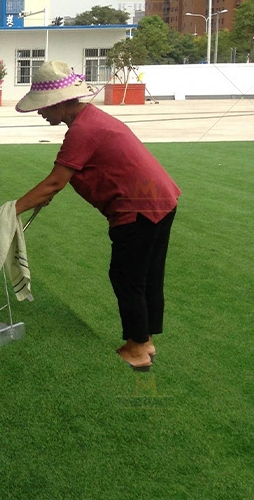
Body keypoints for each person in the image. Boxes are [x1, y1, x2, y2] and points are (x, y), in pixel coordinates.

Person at [13, 60, 180, 371]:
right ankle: (146, 341)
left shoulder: (83, 131)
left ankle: (137, 348)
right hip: (162, 200)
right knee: (147, 276)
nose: (39, 111)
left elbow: (54, 182)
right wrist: (37, 199)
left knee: (127, 277)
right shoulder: (91, 120)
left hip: (138, 208)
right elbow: (63, 182)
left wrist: (10, 211)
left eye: (42, 106)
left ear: (59, 103)